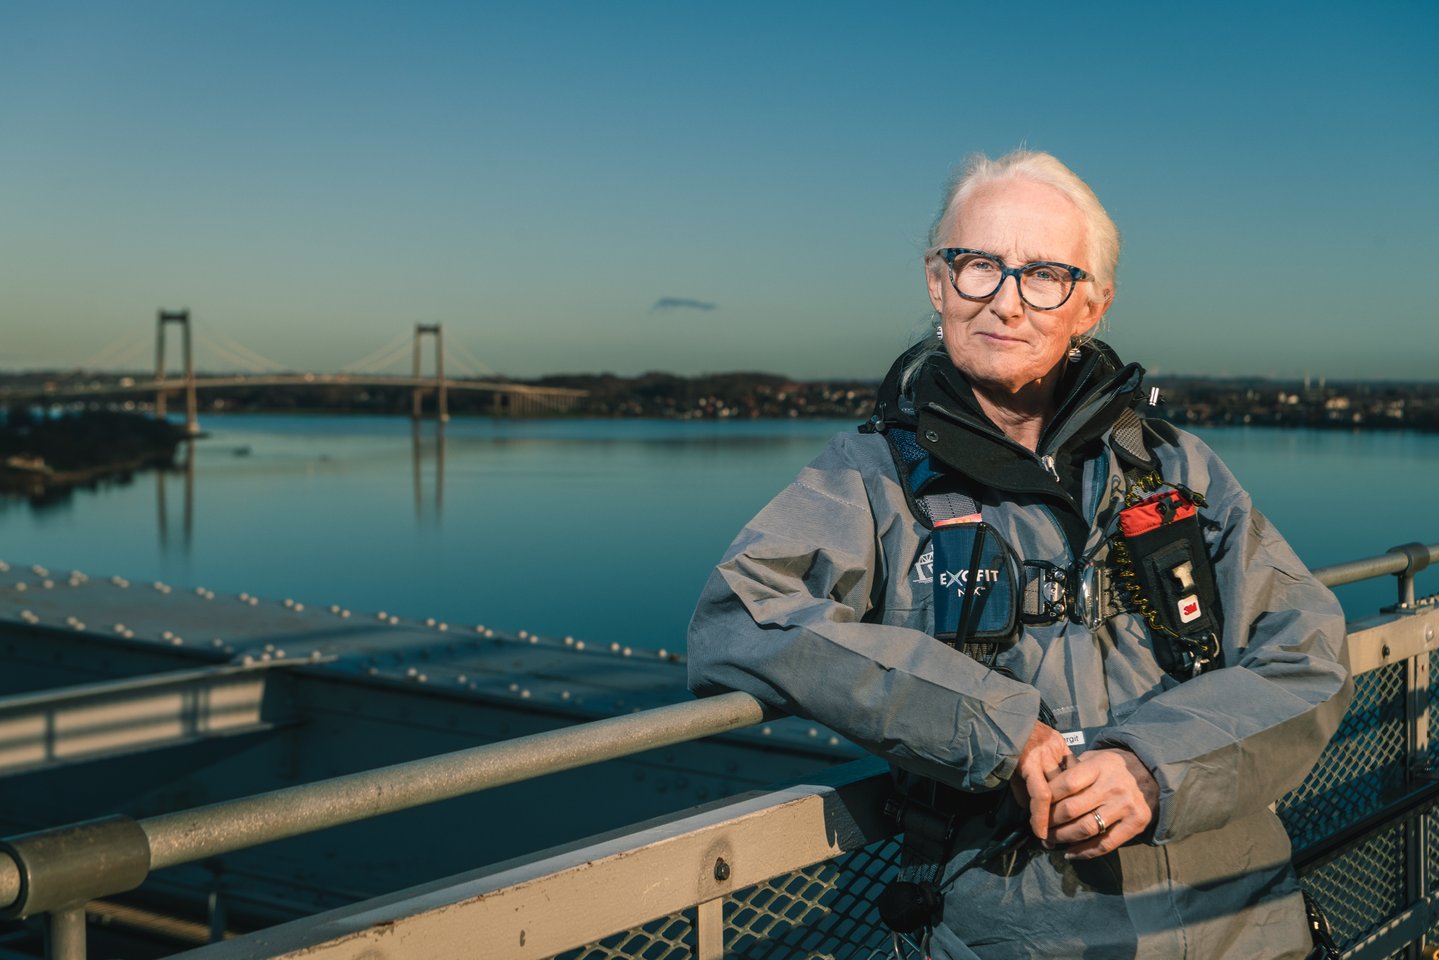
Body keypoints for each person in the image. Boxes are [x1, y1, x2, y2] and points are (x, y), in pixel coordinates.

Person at [686, 149, 1352, 959]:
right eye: (978, 266)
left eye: (1043, 274)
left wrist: (1152, 767)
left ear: (1091, 305)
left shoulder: (1172, 468)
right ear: (936, 282)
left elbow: (1306, 650)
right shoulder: (869, 480)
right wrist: (986, 721)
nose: (1005, 301)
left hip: (1244, 928)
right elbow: (745, 614)